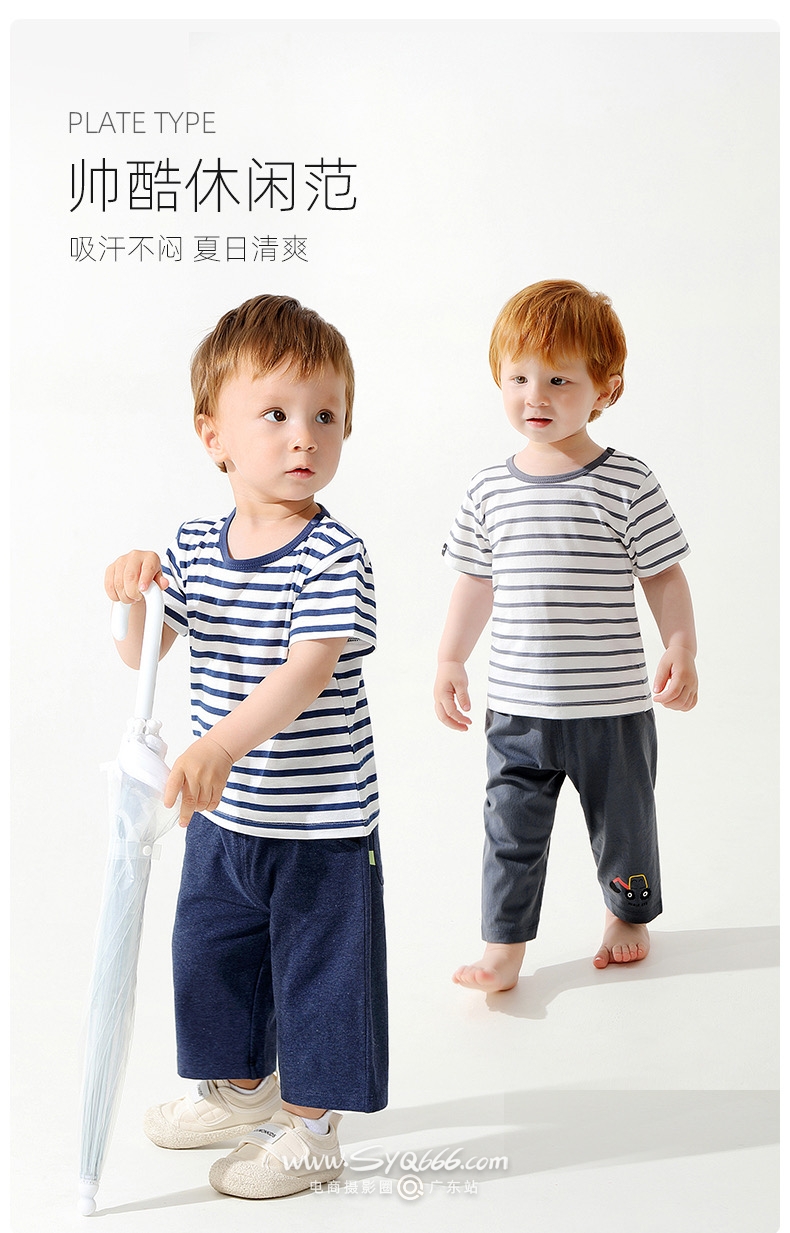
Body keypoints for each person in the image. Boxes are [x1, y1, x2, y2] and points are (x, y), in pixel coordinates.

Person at [105, 294, 387, 1198]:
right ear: (213, 436)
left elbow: (307, 672)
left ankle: (313, 1129)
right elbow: (143, 652)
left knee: (319, 975)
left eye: (326, 415)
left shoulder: (332, 555)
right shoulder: (195, 545)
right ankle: (237, 1091)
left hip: (319, 825)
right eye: (275, 414)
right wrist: (135, 595)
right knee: (210, 955)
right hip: (224, 815)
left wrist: (220, 743)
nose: (305, 435)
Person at [434, 280, 697, 992]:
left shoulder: (627, 482)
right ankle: (503, 947)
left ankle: (628, 913)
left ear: (605, 388)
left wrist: (680, 645)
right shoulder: (488, 489)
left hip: (611, 708)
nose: (535, 396)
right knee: (509, 832)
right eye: (518, 377)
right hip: (517, 711)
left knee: (625, 821)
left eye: (558, 379)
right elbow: (475, 582)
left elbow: (663, 576)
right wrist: (451, 657)